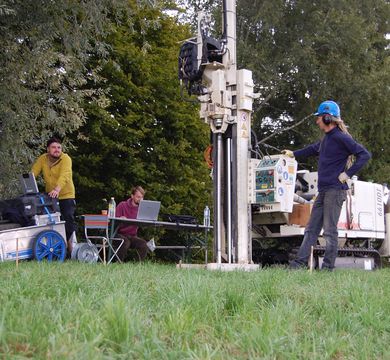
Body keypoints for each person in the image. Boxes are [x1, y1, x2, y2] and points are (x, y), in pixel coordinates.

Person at [283, 100, 371, 270]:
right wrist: (293, 153)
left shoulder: (341, 138)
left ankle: (328, 269)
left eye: (319, 118)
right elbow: (310, 149)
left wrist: (347, 175)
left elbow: (364, 155)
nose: (317, 121)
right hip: (323, 191)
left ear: (328, 118)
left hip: (335, 191)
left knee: (330, 232)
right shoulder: (326, 140)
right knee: (311, 230)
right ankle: (298, 265)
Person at [32, 137, 76, 251]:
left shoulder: (66, 159)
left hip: (66, 195)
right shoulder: (43, 158)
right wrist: (28, 183)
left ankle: (69, 247)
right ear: (48, 149)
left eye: (59, 147)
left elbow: (65, 176)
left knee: (68, 222)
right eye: (53, 147)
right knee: (52, 222)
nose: (57, 149)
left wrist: (57, 189)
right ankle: (56, 247)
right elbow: (33, 172)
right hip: (50, 196)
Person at [115, 185, 150, 262]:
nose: (140, 199)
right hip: (118, 233)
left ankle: (137, 267)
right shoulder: (122, 205)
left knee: (144, 244)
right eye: (138, 197)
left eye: (142, 197)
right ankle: (117, 263)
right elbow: (113, 221)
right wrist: (120, 219)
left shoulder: (142, 209)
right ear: (132, 196)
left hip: (132, 235)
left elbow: (143, 225)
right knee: (125, 242)